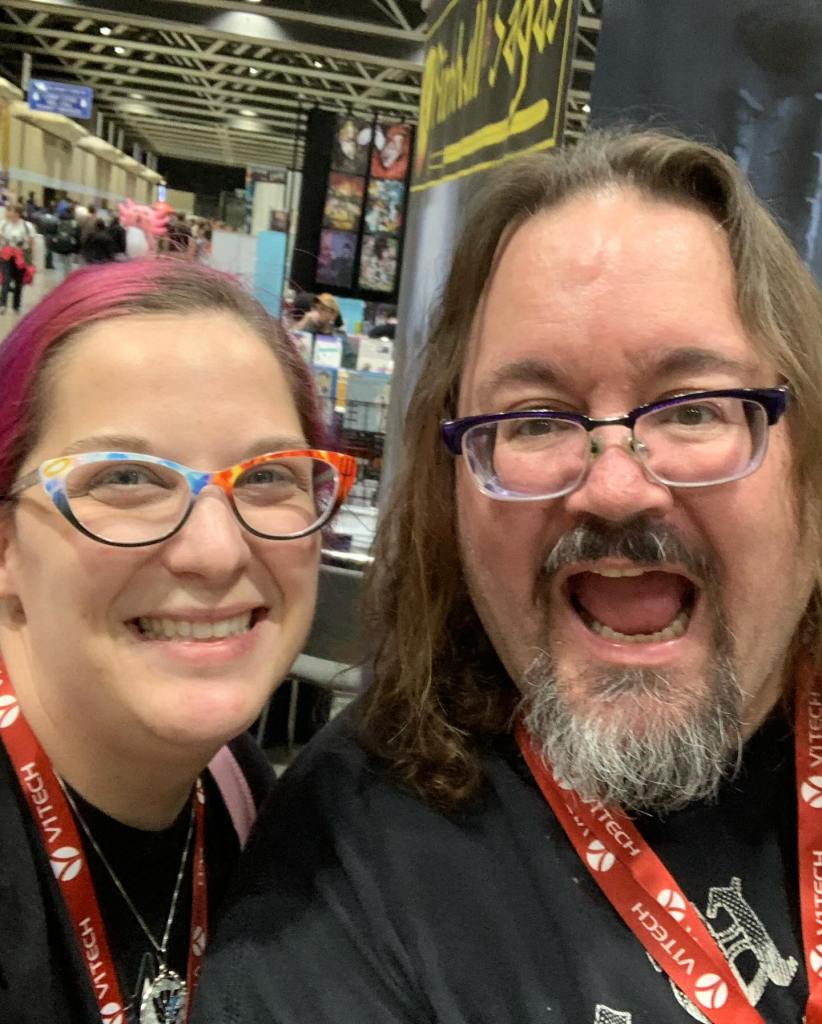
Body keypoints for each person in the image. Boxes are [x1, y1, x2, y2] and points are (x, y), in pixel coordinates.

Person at [193, 128, 822, 1023]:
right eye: (534, 421)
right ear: (451, 478)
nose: (615, 488)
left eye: (694, 409)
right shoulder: (345, 868)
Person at [0, 258, 356, 1023]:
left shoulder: (238, 792)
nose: (216, 553)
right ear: (6, 545)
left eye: (267, 476)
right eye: (126, 479)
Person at [0, 204, 36, 315]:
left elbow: (31, 242)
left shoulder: (27, 226)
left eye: (10, 211)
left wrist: (31, 259)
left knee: (19, 282)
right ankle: (2, 304)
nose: (7, 213)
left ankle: (16, 305)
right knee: (6, 279)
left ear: (17, 213)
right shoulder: (3, 224)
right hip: (6, 255)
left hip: (21, 256)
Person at [50, 206, 81, 281]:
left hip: (59, 246)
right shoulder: (74, 223)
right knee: (68, 265)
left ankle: (60, 280)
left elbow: (53, 233)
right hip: (70, 246)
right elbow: (77, 236)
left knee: (59, 265)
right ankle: (67, 280)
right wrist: (77, 249)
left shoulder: (58, 221)